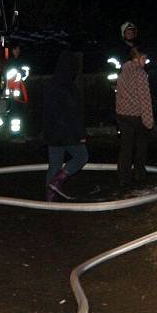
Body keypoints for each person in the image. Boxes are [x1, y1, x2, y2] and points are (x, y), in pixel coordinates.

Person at [42, 50, 88, 201]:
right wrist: (80, 135)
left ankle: (49, 199)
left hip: (53, 133)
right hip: (67, 134)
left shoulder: (51, 85)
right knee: (81, 157)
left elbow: (47, 111)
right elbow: (74, 114)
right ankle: (57, 181)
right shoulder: (69, 88)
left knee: (54, 165)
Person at [115, 46, 154, 187]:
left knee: (126, 146)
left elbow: (118, 93)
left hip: (122, 114)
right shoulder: (140, 73)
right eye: (144, 58)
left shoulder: (123, 71)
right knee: (141, 145)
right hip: (136, 115)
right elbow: (145, 99)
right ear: (136, 58)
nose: (146, 61)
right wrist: (149, 121)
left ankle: (123, 177)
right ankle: (139, 173)